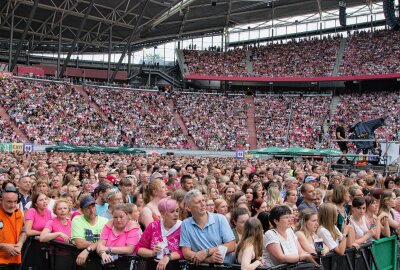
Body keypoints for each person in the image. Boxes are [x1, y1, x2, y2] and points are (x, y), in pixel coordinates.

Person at [180, 189, 236, 264]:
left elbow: (231, 245)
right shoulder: (185, 224)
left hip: (224, 265)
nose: (203, 204)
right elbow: (186, 253)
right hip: (202, 266)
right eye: (198, 202)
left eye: (203, 200)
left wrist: (207, 252)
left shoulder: (220, 218)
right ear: (189, 208)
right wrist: (208, 260)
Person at [136, 198, 183, 270]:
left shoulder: (183, 227)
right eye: (172, 211)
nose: (176, 214)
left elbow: (185, 251)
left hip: (175, 266)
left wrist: (168, 257)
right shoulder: (153, 226)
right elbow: (139, 249)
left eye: (177, 211)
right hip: (153, 266)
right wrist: (152, 253)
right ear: (162, 213)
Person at [71, 195, 108, 267]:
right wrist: (100, 244)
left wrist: (88, 249)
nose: (91, 211)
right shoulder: (77, 219)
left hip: (100, 261)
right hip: (83, 261)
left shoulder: (105, 221)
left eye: (93, 206)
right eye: (88, 208)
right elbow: (80, 244)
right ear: (81, 210)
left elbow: (108, 242)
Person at [0, 185, 26, 270]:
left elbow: (23, 231)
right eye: (9, 202)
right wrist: (3, 246)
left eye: (15, 201)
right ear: (1, 200)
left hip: (15, 260)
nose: (13, 205)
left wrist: (20, 243)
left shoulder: (18, 212)